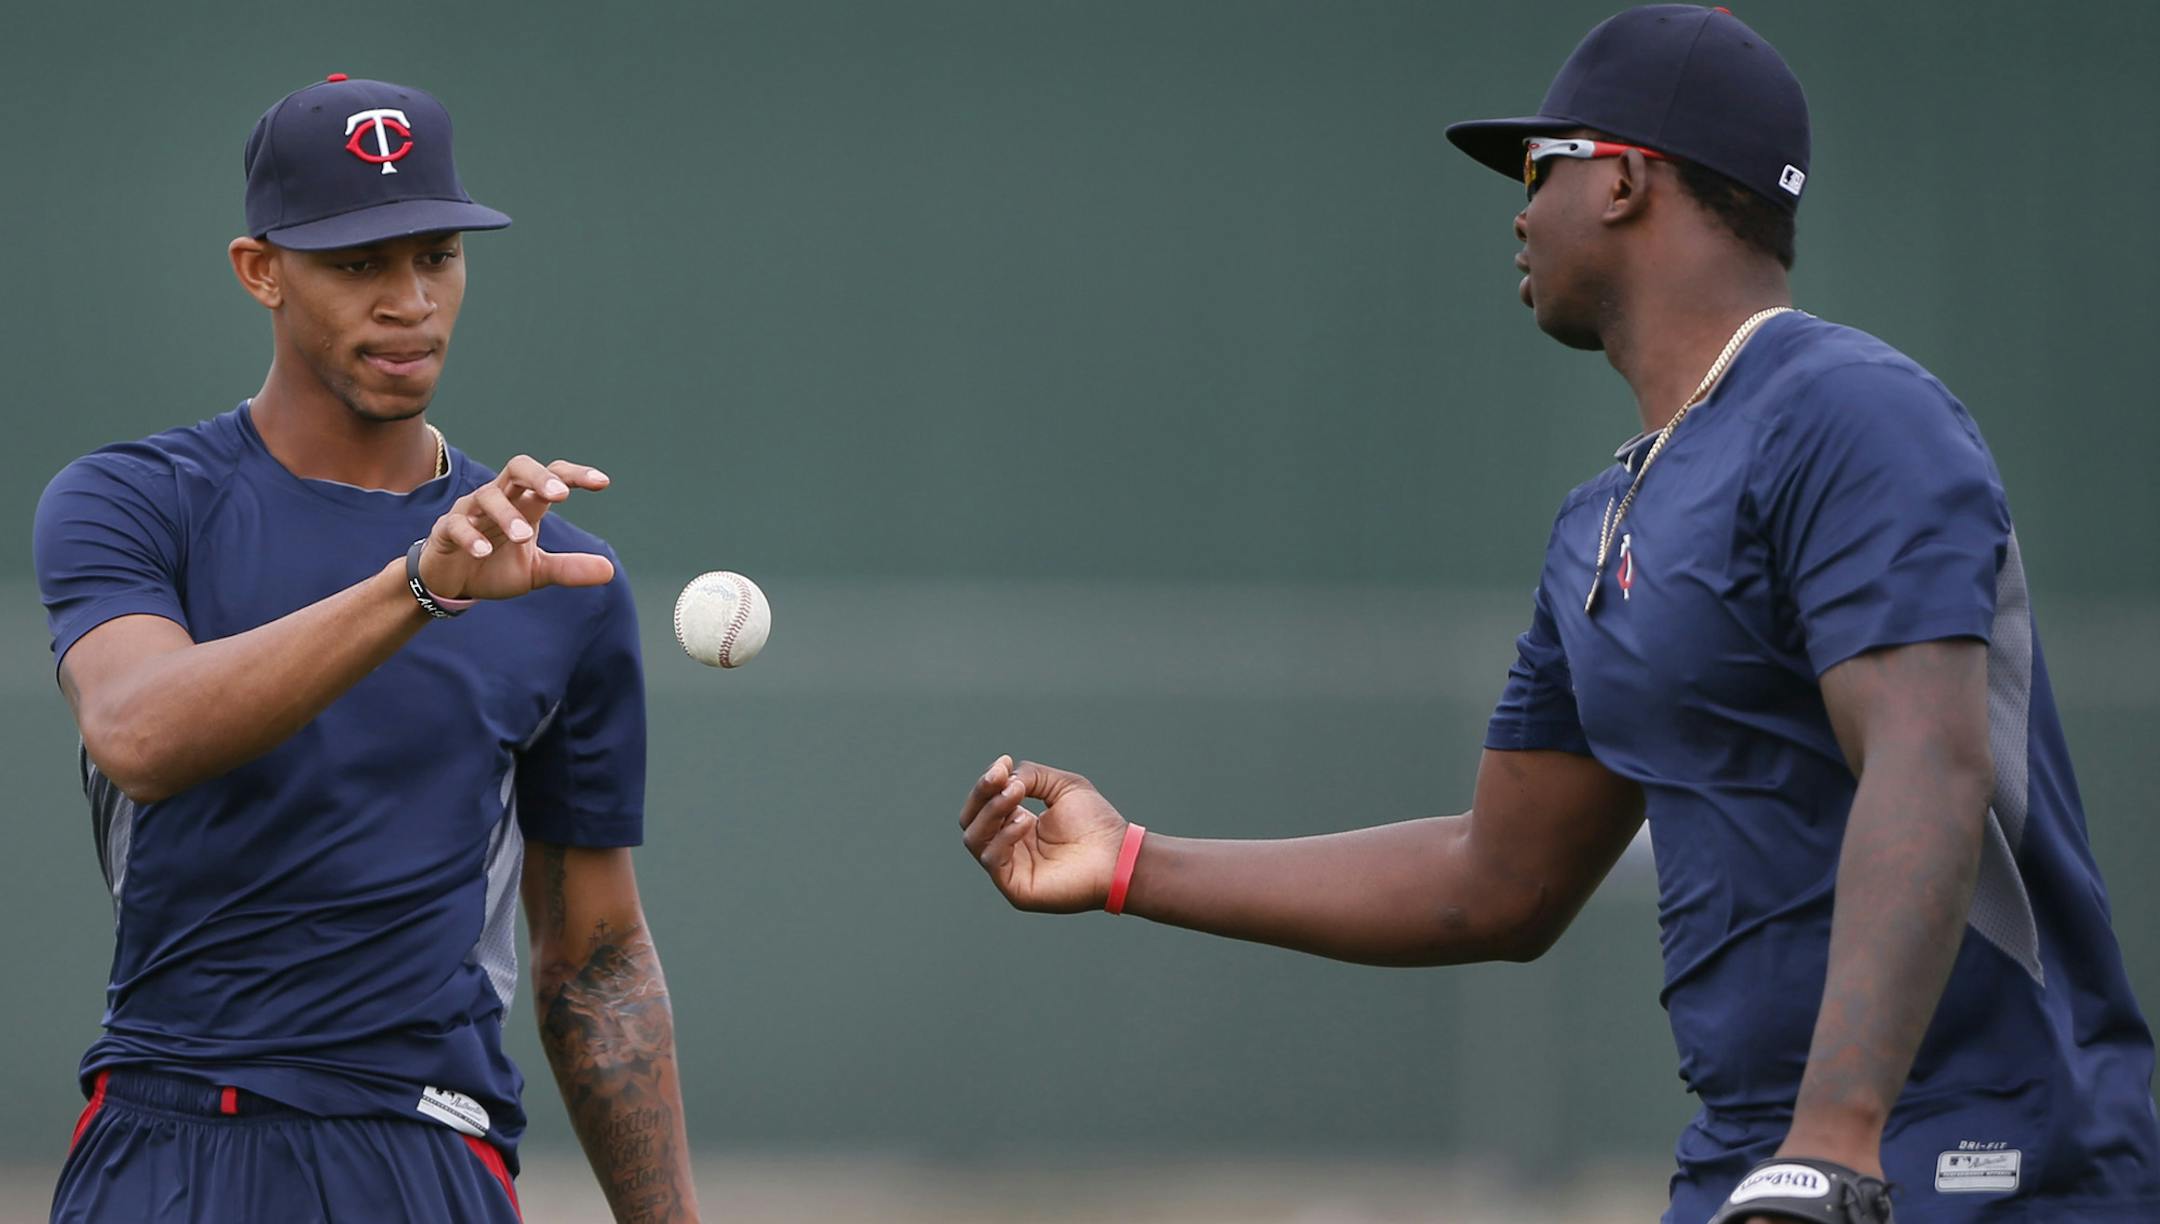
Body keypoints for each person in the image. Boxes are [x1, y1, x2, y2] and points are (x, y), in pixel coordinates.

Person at [954, 7, 2160, 1222]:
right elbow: (1498, 881)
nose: (1520, 213)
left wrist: (1835, 1140)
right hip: (1756, 1160)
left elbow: (1925, 762)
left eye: (1539, 168)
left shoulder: (1851, 413)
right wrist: (1131, 862)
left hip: (1980, 1154)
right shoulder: (1606, 518)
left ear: (1626, 180)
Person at [34, 75, 700, 1223]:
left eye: (437, 256)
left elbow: (594, 963)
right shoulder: (135, 502)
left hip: (423, 1150)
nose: (411, 302)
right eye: (358, 264)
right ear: (261, 270)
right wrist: (419, 588)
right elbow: (140, 733)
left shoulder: (558, 575)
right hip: (171, 1140)